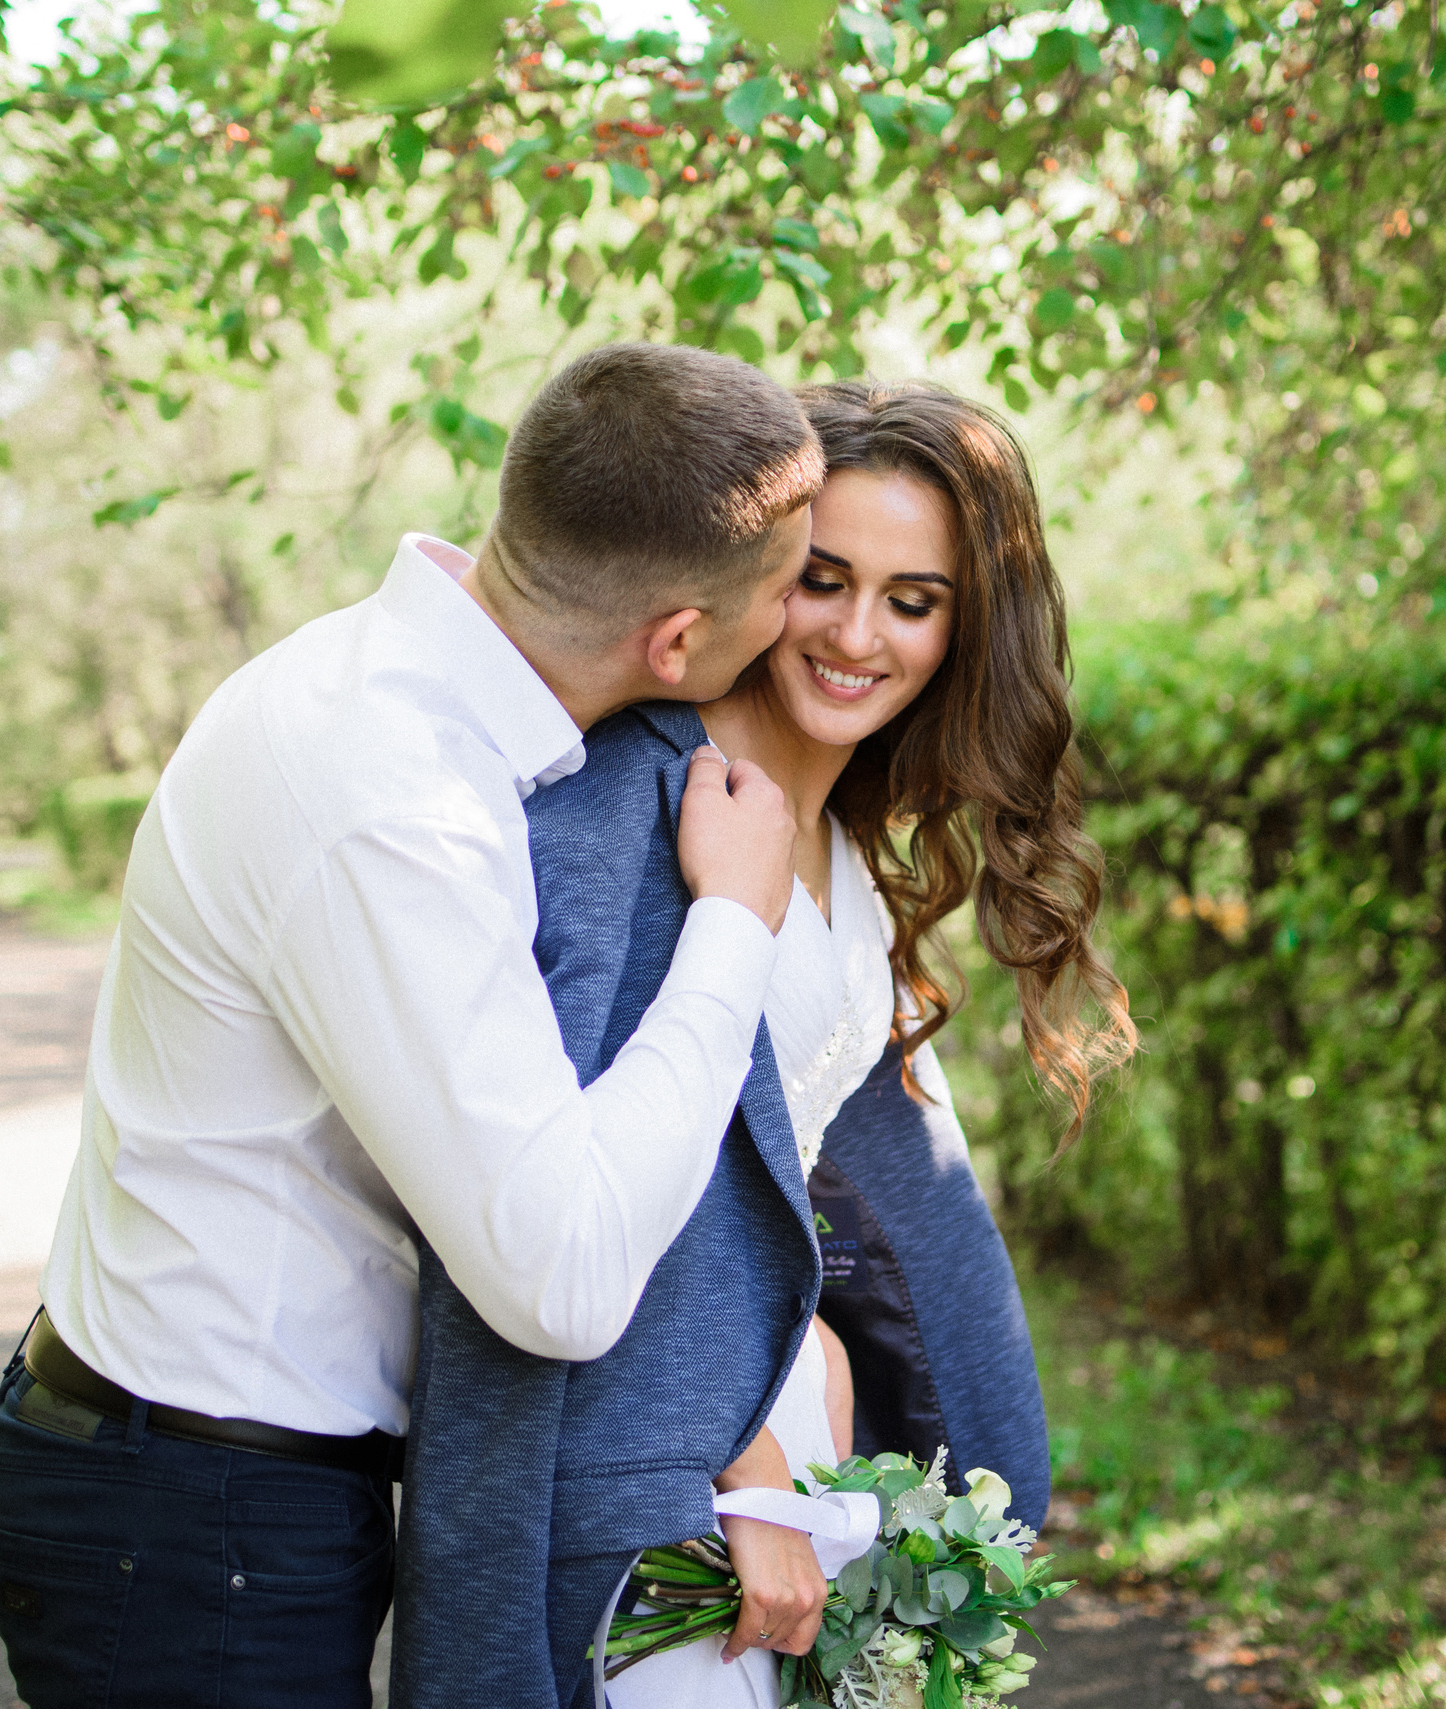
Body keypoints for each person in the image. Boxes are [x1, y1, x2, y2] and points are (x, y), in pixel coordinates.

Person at [0, 343, 831, 1709]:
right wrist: (737, 923)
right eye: (795, 586)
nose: (804, 627)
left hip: (209, 1485)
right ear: (678, 640)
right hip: (194, 1524)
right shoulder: (391, 796)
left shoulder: (397, 700)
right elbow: (558, 1273)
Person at [389, 380, 1138, 1709]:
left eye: (914, 600)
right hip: (670, 1471)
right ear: (753, 579)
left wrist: (848, 1411)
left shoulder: (847, 843)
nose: (859, 635)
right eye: (822, 580)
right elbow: (580, 1184)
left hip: (796, 1452)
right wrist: (748, 1473)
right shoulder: (639, 802)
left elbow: (829, 1196)